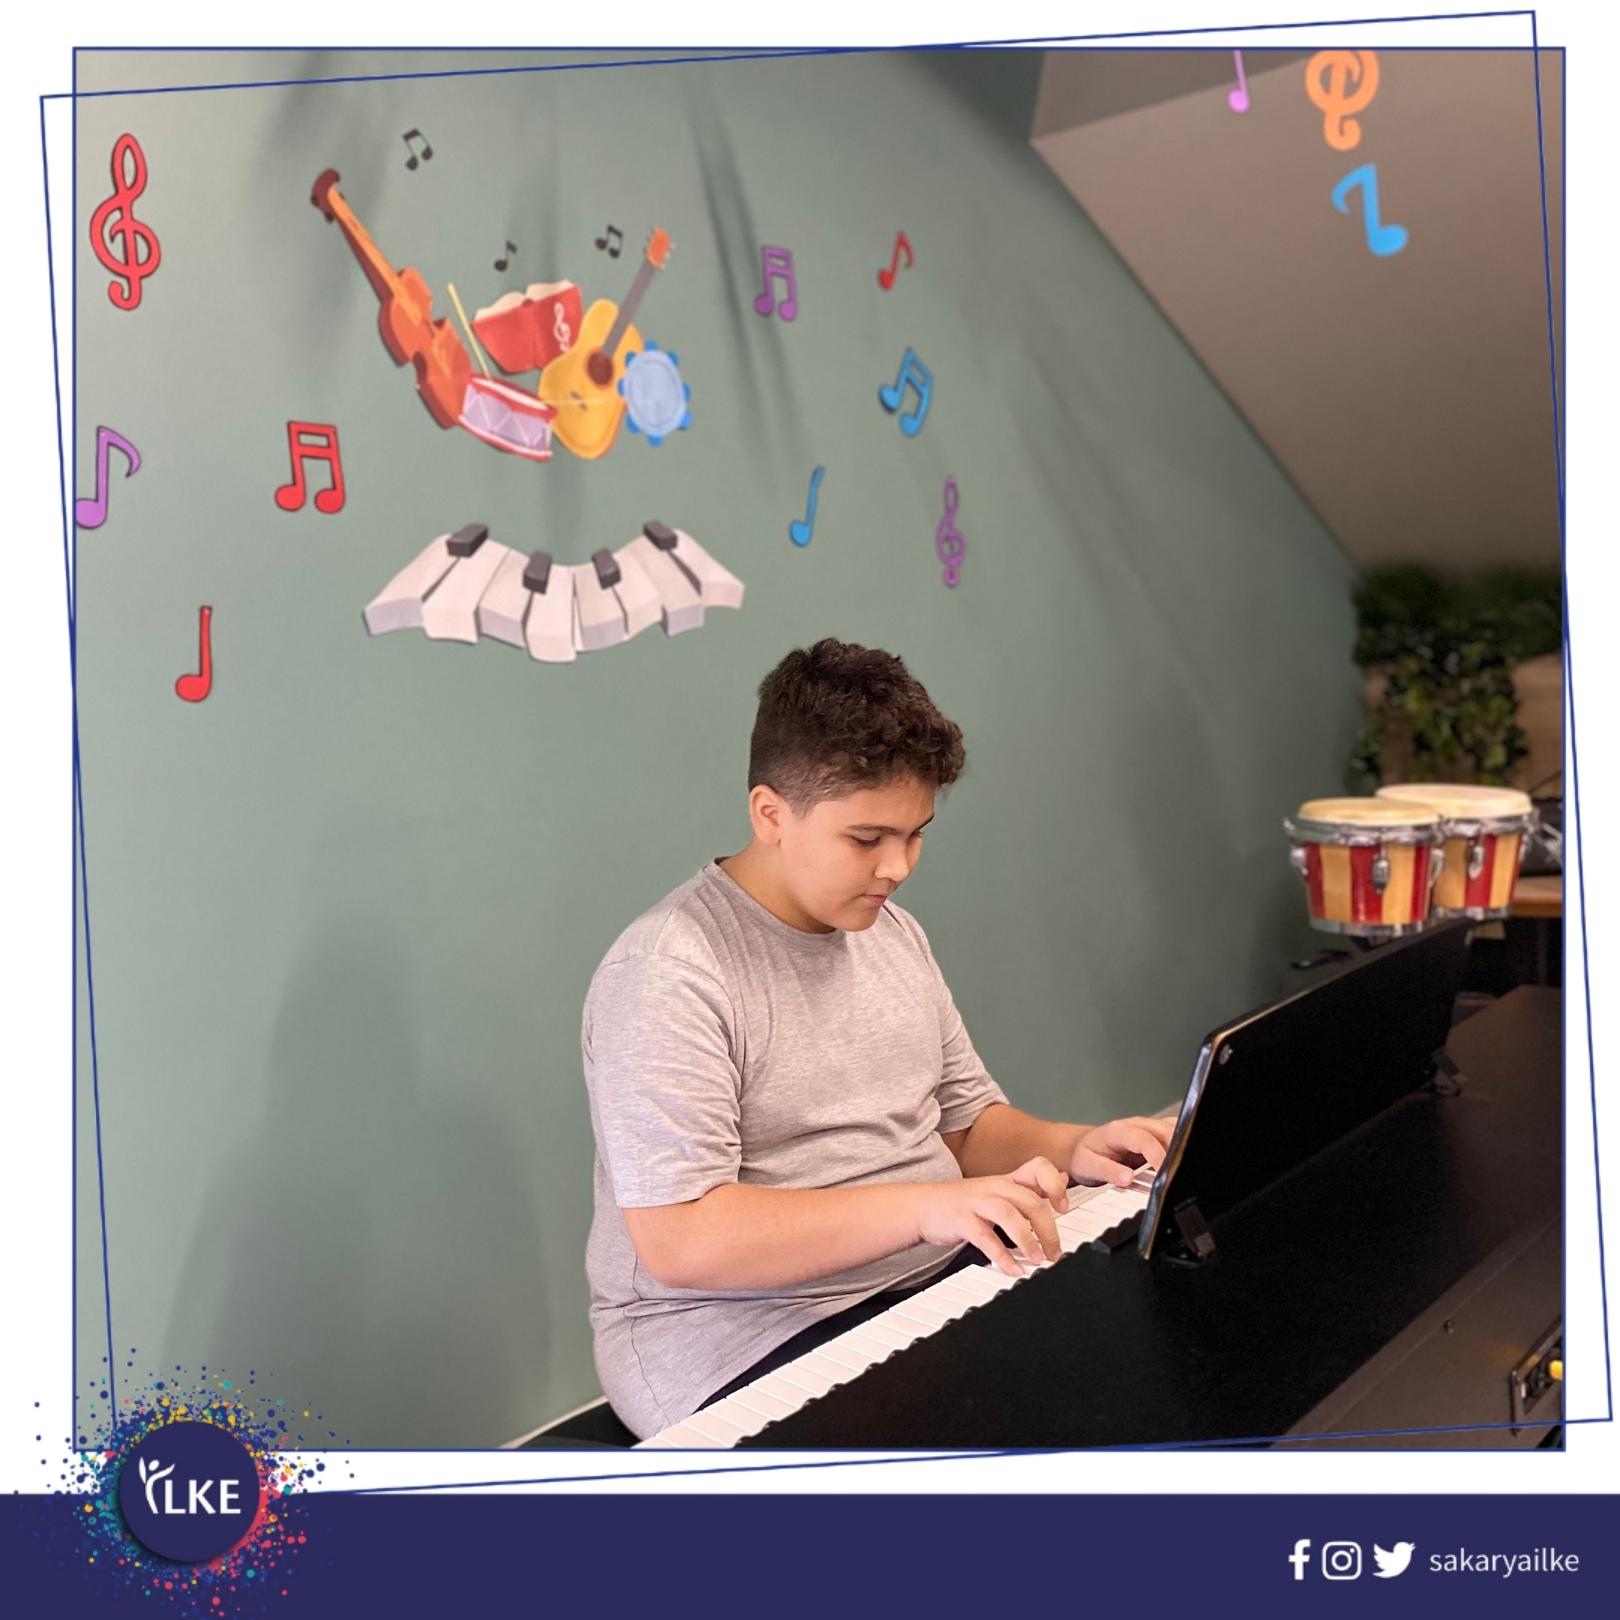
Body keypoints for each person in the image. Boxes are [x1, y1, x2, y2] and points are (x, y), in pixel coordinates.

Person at [580, 638, 1174, 1440]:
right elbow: (682, 1241)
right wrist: (927, 1209)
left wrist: (1077, 1146)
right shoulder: (667, 971)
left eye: (915, 833)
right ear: (770, 814)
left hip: (926, 1278)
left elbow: (966, 1126)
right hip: (733, 1338)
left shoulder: (890, 931)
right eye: (867, 839)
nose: (898, 867)